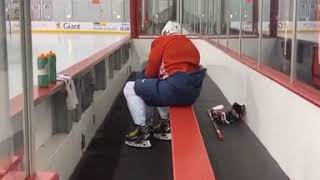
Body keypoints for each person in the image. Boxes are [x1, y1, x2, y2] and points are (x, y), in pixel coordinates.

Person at [123, 21, 206, 148]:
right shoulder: (190, 44)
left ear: (165, 33)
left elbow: (151, 72)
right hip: (191, 94)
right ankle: (165, 125)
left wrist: (141, 81)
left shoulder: (163, 41)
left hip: (174, 90)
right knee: (159, 85)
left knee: (130, 87)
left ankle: (142, 132)